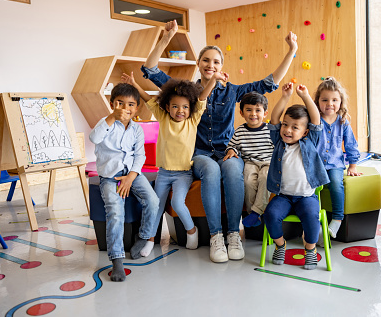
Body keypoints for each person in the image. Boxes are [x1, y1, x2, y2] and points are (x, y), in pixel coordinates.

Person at [141, 19, 297, 263]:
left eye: (216, 61)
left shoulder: (232, 90)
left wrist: (292, 51)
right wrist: (165, 38)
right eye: (206, 60)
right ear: (198, 63)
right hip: (199, 153)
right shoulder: (186, 91)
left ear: (222, 66)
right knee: (211, 171)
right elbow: (150, 70)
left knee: (234, 170)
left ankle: (234, 234)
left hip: (227, 150)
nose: (210, 65)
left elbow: (269, 83)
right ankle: (216, 236)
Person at [121, 71, 225, 256]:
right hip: (164, 173)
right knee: (156, 206)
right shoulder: (163, 117)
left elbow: (202, 98)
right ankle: (150, 241)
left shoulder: (192, 120)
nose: (180, 111)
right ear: (167, 107)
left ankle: (191, 231)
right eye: (175, 106)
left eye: (184, 107)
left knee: (177, 202)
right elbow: (148, 99)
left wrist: (214, 80)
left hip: (183, 173)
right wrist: (134, 84)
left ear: (190, 108)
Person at [89, 83, 160, 282]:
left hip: (132, 174)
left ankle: (143, 237)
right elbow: (94, 138)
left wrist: (131, 177)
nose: (125, 109)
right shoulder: (106, 123)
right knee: (115, 210)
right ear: (112, 104)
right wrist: (111, 118)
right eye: (120, 103)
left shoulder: (137, 129)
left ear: (136, 108)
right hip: (110, 177)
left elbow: (140, 155)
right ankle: (117, 259)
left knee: (153, 201)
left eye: (130, 105)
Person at [262, 82, 329, 270]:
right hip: (283, 195)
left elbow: (316, 120)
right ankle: (280, 245)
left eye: (295, 127)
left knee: (311, 218)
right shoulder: (279, 142)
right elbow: (274, 119)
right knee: (270, 215)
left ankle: (310, 250)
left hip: (306, 197)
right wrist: (284, 97)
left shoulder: (310, 141)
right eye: (286, 125)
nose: (288, 130)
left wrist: (305, 96)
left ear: (305, 132)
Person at [313, 77, 361, 240]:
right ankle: (313, 221)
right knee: (309, 189)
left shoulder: (343, 122)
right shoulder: (315, 120)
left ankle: (337, 218)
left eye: (334, 100)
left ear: (340, 102)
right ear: (318, 101)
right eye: (324, 100)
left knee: (336, 184)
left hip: (335, 164)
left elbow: (351, 144)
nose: (329, 104)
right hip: (315, 164)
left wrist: (352, 165)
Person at [224, 92, 273, 228]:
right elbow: (232, 146)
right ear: (241, 113)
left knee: (265, 177)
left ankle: (256, 212)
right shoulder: (240, 131)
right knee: (248, 181)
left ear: (265, 113)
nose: (253, 114)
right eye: (249, 110)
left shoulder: (270, 130)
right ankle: (252, 213)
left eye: (258, 110)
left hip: (268, 163)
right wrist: (231, 150)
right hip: (250, 162)